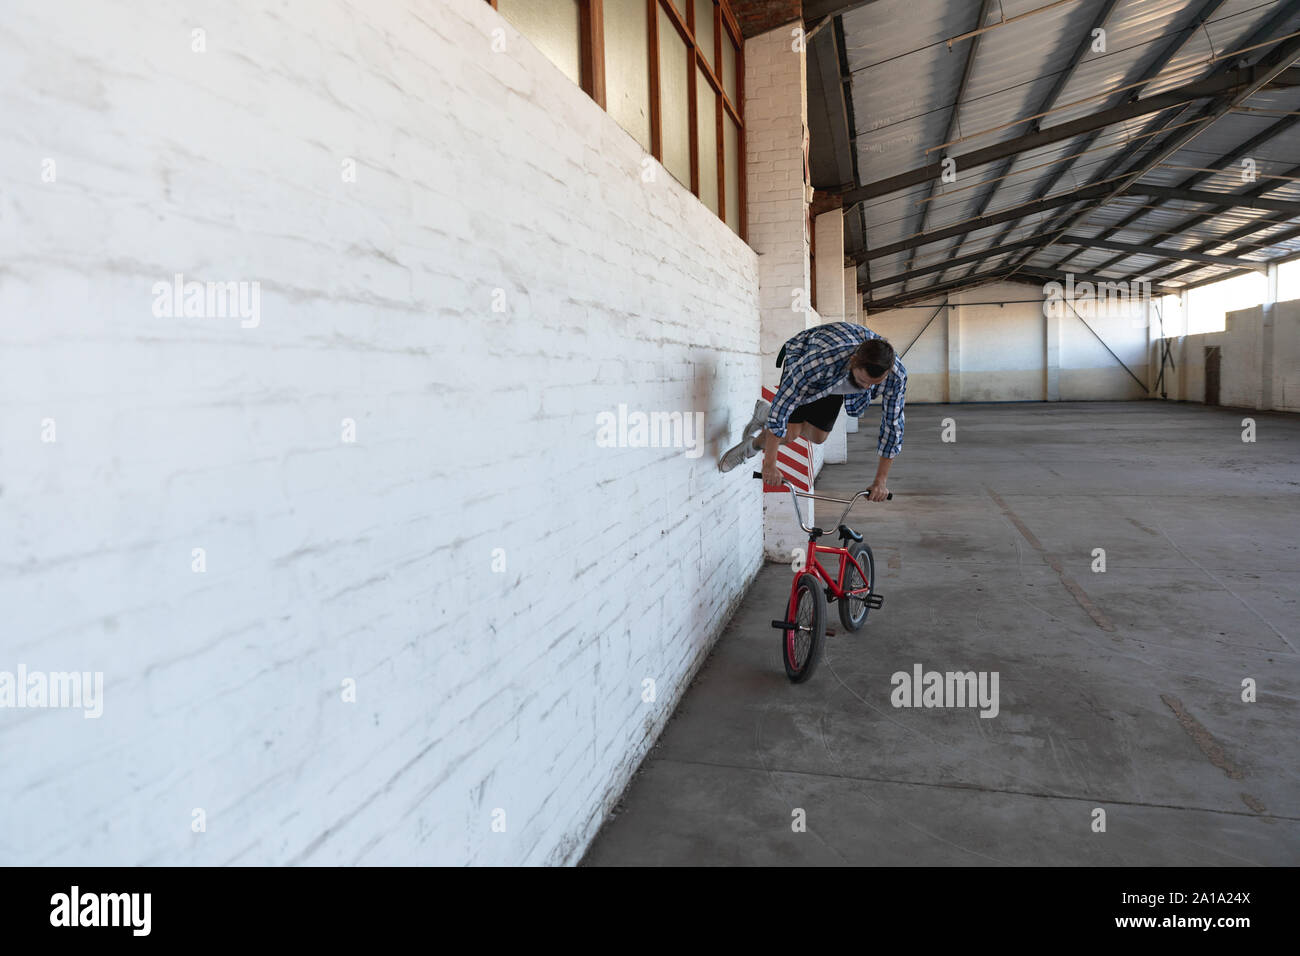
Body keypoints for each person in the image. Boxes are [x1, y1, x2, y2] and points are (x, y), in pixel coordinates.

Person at [718, 323, 905, 502]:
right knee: (790, 433)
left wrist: (881, 481)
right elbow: (783, 406)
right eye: (862, 381)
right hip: (808, 362)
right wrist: (769, 465)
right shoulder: (820, 361)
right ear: (853, 361)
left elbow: (893, 427)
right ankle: (750, 447)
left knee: (818, 437)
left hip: (836, 380)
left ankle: (764, 412)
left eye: (874, 384)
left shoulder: (896, 376)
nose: (866, 388)